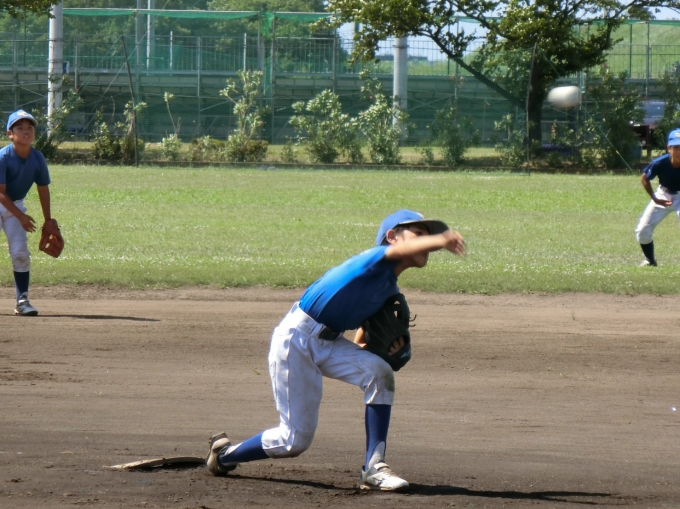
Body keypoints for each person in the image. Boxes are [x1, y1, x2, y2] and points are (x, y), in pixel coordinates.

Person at [206, 209, 465, 490]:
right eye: (419, 234)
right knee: (294, 441)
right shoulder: (373, 259)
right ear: (392, 237)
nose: (427, 243)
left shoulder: (389, 290)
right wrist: (443, 239)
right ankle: (225, 456)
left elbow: (362, 338)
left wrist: (379, 352)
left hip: (329, 343)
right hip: (295, 340)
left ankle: (374, 467)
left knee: (379, 373)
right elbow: (401, 250)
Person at [0, 110, 54, 315]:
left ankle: (22, 301)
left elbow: (43, 189)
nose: (26, 131)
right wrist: (21, 216)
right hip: (4, 202)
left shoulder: (37, 158)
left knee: (20, 253)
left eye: (30, 128)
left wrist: (48, 220)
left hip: (15, 205)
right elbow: (0, 193)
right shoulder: (3, 157)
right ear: (10, 134)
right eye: (20, 128)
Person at [635, 128, 680, 267]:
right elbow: (644, 178)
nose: (679, 151)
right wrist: (655, 198)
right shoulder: (661, 162)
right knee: (642, 230)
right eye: (676, 147)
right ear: (669, 148)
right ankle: (650, 260)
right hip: (663, 194)